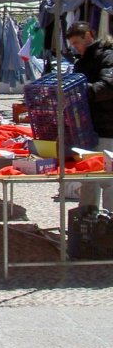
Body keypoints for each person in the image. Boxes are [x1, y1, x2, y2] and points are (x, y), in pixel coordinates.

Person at [66, 22, 113, 210]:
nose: (75, 47)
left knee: (108, 178)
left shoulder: (107, 56)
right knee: (88, 177)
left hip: (106, 127)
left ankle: (109, 225)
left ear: (87, 36)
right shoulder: (82, 61)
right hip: (88, 128)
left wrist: (79, 90)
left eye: (76, 42)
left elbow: (108, 87)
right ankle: (87, 222)